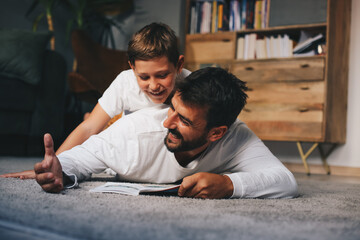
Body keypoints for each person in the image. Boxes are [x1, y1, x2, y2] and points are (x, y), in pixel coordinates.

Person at [30, 67, 298, 199]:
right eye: (172, 108)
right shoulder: (136, 131)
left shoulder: (237, 137)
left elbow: (286, 181)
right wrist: (60, 170)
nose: (167, 122)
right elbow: (83, 157)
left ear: (216, 133)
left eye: (183, 119)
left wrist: (229, 185)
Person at [0, 22, 190, 179]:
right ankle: (102, 120)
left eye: (162, 75)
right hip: (126, 144)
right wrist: (53, 164)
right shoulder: (125, 82)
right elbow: (89, 128)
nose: (154, 85)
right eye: (144, 77)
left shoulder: (192, 87)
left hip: (156, 151)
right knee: (96, 129)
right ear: (132, 68)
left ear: (179, 65)